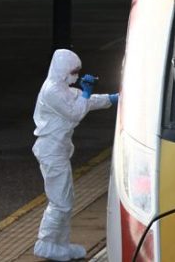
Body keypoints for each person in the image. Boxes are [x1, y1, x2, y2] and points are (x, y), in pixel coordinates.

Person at [32, 49, 119, 261]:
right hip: (51, 151)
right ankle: (46, 244)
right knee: (60, 202)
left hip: (58, 151)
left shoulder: (62, 88)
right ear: (63, 70)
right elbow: (76, 112)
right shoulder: (51, 91)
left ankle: (60, 245)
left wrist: (113, 99)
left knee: (66, 200)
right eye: (74, 71)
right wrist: (88, 93)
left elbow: (85, 101)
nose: (77, 76)